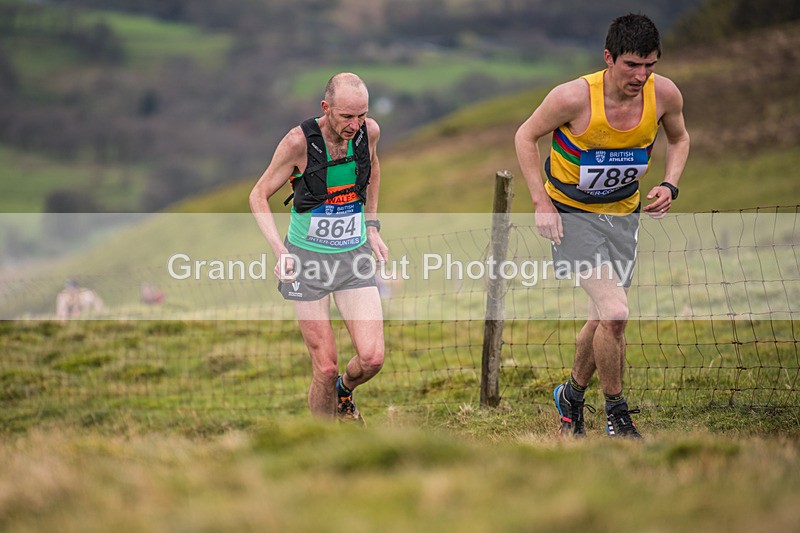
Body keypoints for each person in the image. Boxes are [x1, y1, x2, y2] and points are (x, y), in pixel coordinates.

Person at [515, 13, 690, 438]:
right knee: (615, 312)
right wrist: (540, 203)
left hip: (623, 214)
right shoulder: (573, 97)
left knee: (602, 318)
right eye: (632, 64)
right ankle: (617, 413)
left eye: (649, 65)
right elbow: (525, 136)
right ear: (609, 58)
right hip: (572, 215)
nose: (641, 76)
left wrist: (670, 184)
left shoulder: (664, 94)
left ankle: (570, 396)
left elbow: (680, 138)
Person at [249, 72, 388, 424]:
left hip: (353, 256)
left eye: (362, 115)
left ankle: (345, 391)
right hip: (306, 261)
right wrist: (280, 250)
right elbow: (258, 195)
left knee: (372, 358)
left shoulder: (368, 133)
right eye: (346, 116)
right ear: (326, 108)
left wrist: (372, 226)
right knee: (325, 367)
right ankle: (323, 441)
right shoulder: (297, 142)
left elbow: (372, 170)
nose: (355, 125)